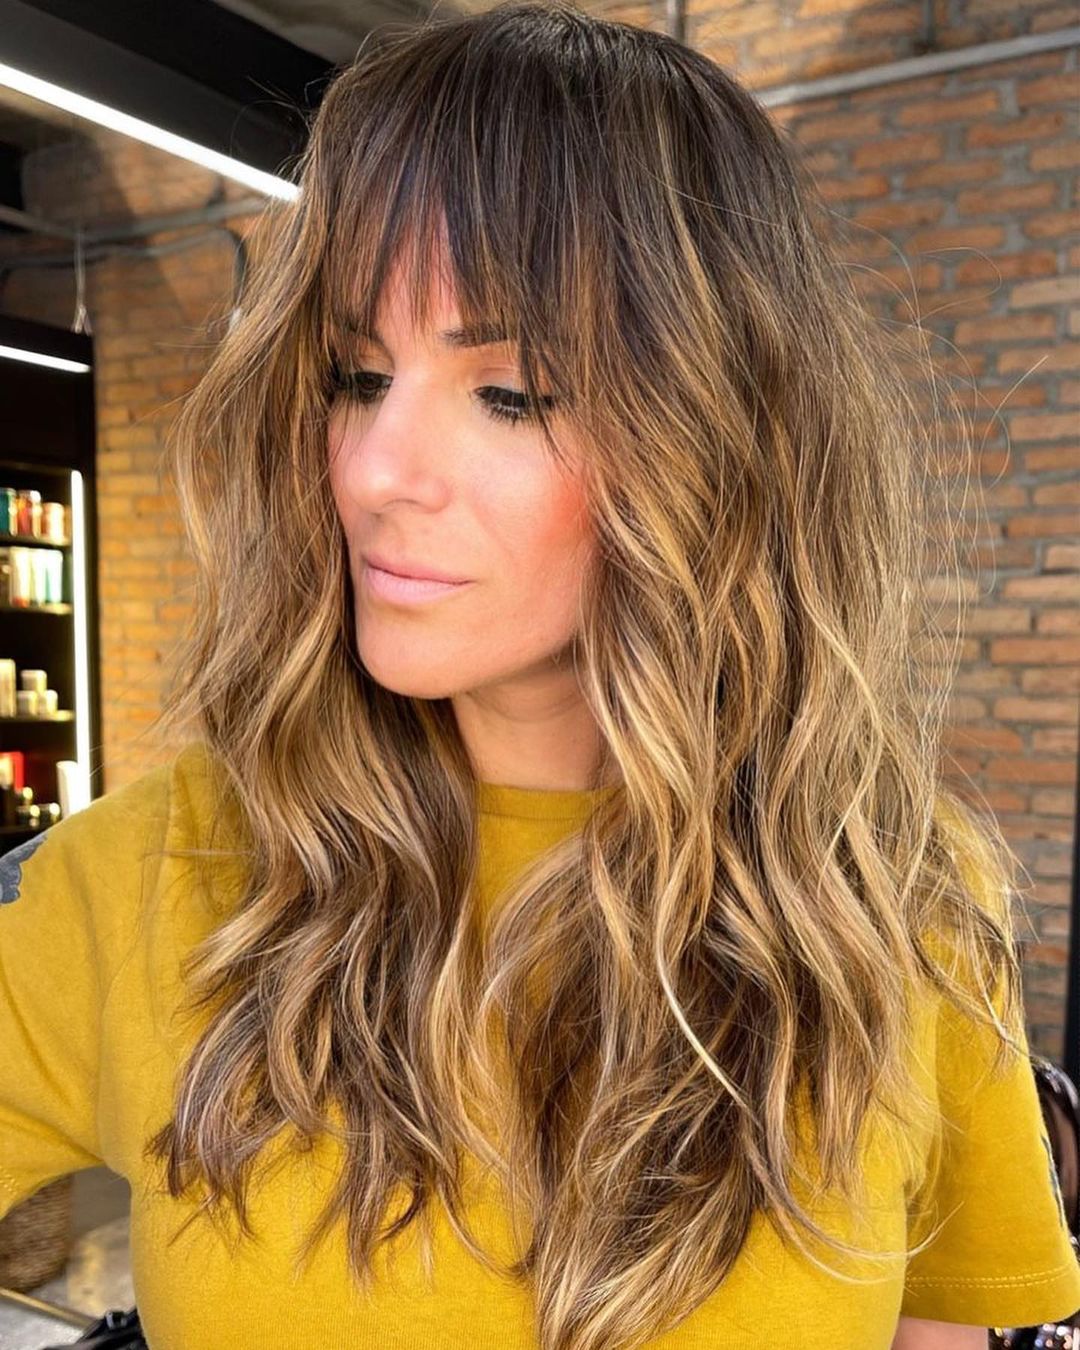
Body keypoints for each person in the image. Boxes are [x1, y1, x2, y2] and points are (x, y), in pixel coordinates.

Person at [1, 2, 1077, 1347]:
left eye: (509, 394)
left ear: (715, 437)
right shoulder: (148, 877)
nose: (375, 471)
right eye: (354, 375)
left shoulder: (900, 905)